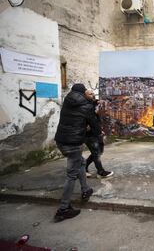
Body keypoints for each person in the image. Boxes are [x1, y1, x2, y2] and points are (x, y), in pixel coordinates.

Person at [53, 83, 97, 222]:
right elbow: (94, 124)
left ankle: (85, 189)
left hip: (61, 141)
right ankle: (63, 209)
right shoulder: (86, 106)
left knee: (81, 163)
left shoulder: (67, 101)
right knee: (71, 175)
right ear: (84, 93)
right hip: (73, 144)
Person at [84, 90, 114, 178]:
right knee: (96, 152)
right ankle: (100, 171)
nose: (93, 95)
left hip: (97, 132)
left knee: (99, 151)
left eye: (93, 93)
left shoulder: (92, 104)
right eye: (90, 94)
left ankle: (83, 167)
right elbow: (88, 118)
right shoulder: (85, 106)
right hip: (89, 134)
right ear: (84, 96)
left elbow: (96, 118)